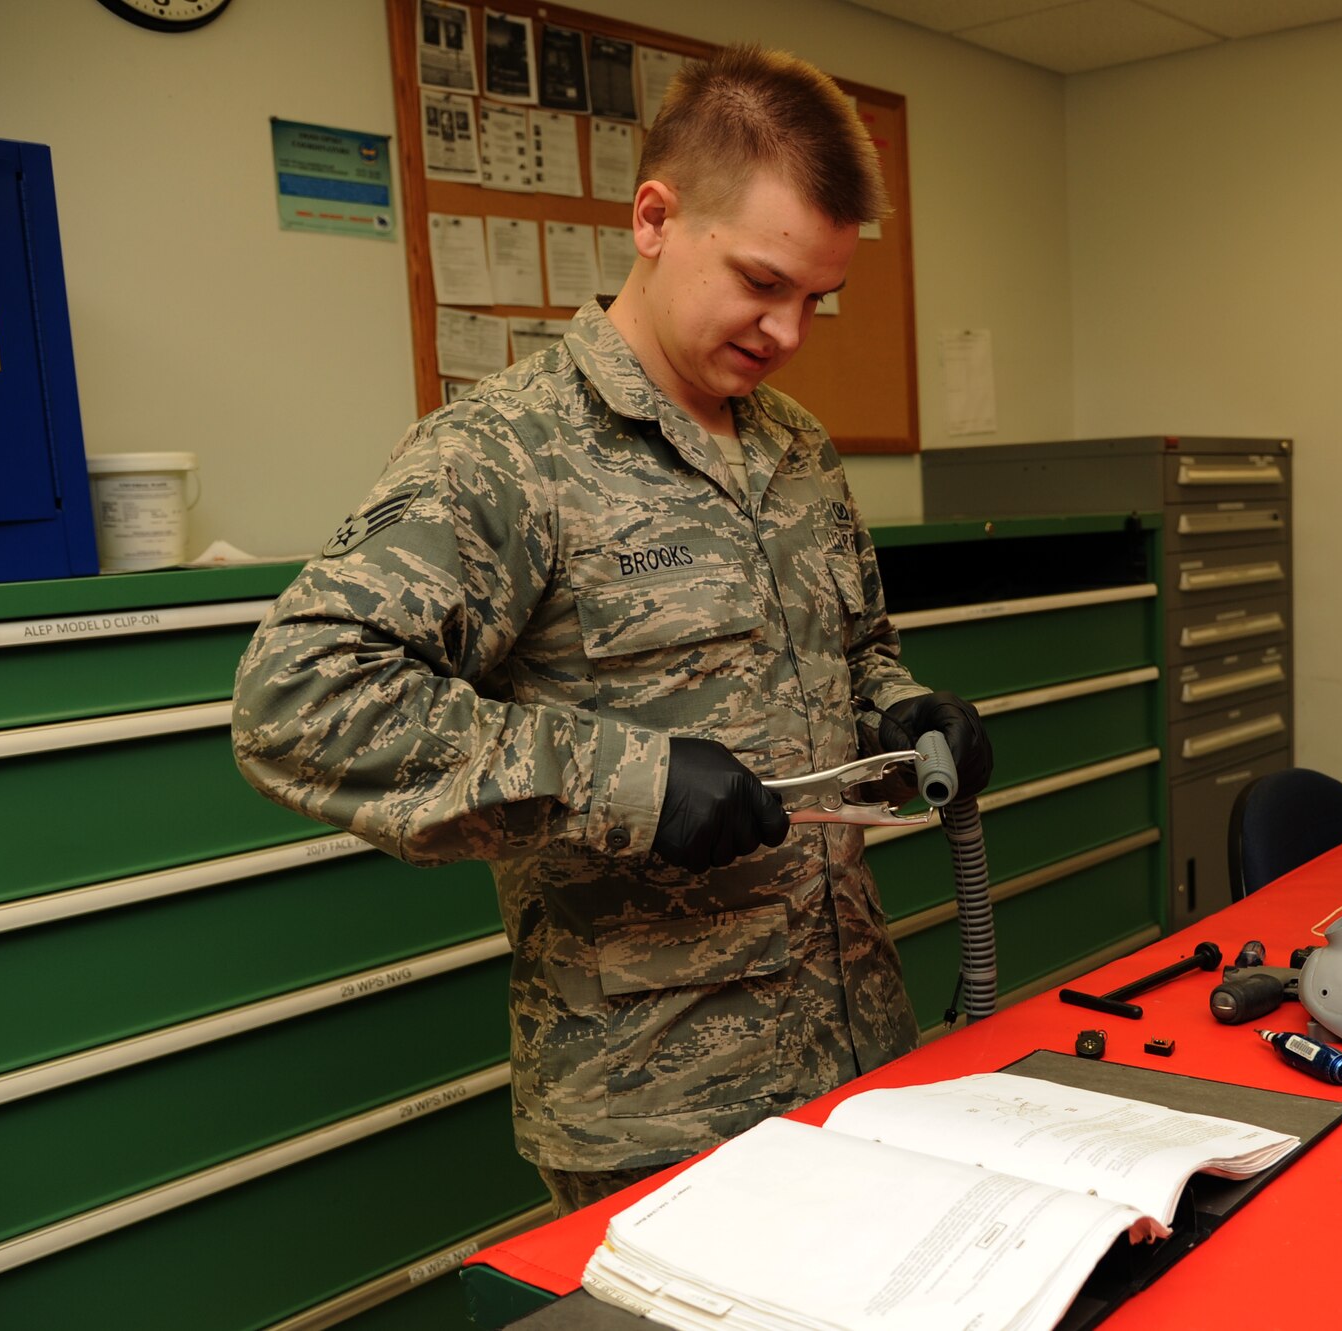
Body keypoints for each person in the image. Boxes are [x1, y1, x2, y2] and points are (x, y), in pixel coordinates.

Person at [231, 44, 992, 1216]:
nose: (788, 330)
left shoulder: (794, 445)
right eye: (761, 281)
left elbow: (852, 652)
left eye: (815, 298)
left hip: (855, 1050)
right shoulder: (508, 451)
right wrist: (628, 780)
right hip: (655, 1107)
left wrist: (898, 711)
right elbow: (299, 699)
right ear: (653, 218)